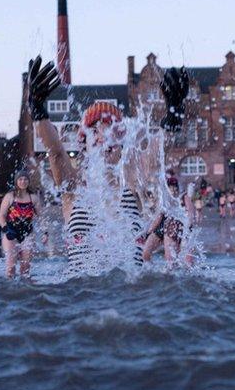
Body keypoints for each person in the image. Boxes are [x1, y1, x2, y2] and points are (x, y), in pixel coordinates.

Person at [27, 55, 188, 270]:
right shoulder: (73, 188)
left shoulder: (132, 181)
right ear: (84, 142)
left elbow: (156, 155)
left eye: (110, 128)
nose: (103, 136)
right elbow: (55, 152)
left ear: (122, 141)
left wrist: (173, 115)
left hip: (128, 297)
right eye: (95, 129)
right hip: (83, 294)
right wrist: (38, 109)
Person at [0, 171, 38, 279]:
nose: (23, 181)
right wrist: (6, 229)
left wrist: (45, 233)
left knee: (25, 268)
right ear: (16, 181)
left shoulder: (33, 198)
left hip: (27, 234)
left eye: (25, 179)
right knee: (11, 267)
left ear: (28, 181)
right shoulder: (9, 196)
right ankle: (10, 291)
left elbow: (42, 217)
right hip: (11, 233)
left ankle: (25, 291)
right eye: (20, 179)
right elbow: (1, 216)